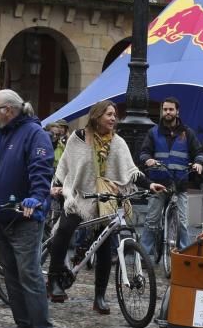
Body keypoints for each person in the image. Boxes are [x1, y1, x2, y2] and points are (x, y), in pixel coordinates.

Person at [49, 100, 164, 313]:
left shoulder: (118, 142)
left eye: (114, 115)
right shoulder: (78, 138)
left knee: (104, 246)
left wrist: (150, 184)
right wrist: (57, 187)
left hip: (107, 200)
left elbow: (131, 171)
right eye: (109, 114)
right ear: (97, 116)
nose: (113, 118)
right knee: (65, 229)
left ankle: (99, 297)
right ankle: (53, 281)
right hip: (80, 197)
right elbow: (65, 165)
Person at [0, 90, 55, 328]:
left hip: (25, 216)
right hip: (1, 214)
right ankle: (23, 324)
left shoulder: (36, 135)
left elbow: (41, 169)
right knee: (11, 274)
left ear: (9, 110)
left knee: (29, 273)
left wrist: (35, 198)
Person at [138, 97, 203, 259]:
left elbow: (199, 153)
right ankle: (144, 256)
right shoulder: (153, 132)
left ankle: (185, 257)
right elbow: (144, 152)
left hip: (181, 183)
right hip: (160, 183)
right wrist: (148, 159)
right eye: (165, 109)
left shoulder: (187, 133)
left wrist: (199, 163)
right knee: (152, 221)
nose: (168, 112)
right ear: (162, 111)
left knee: (183, 222)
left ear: (177, 111)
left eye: (171, 109)